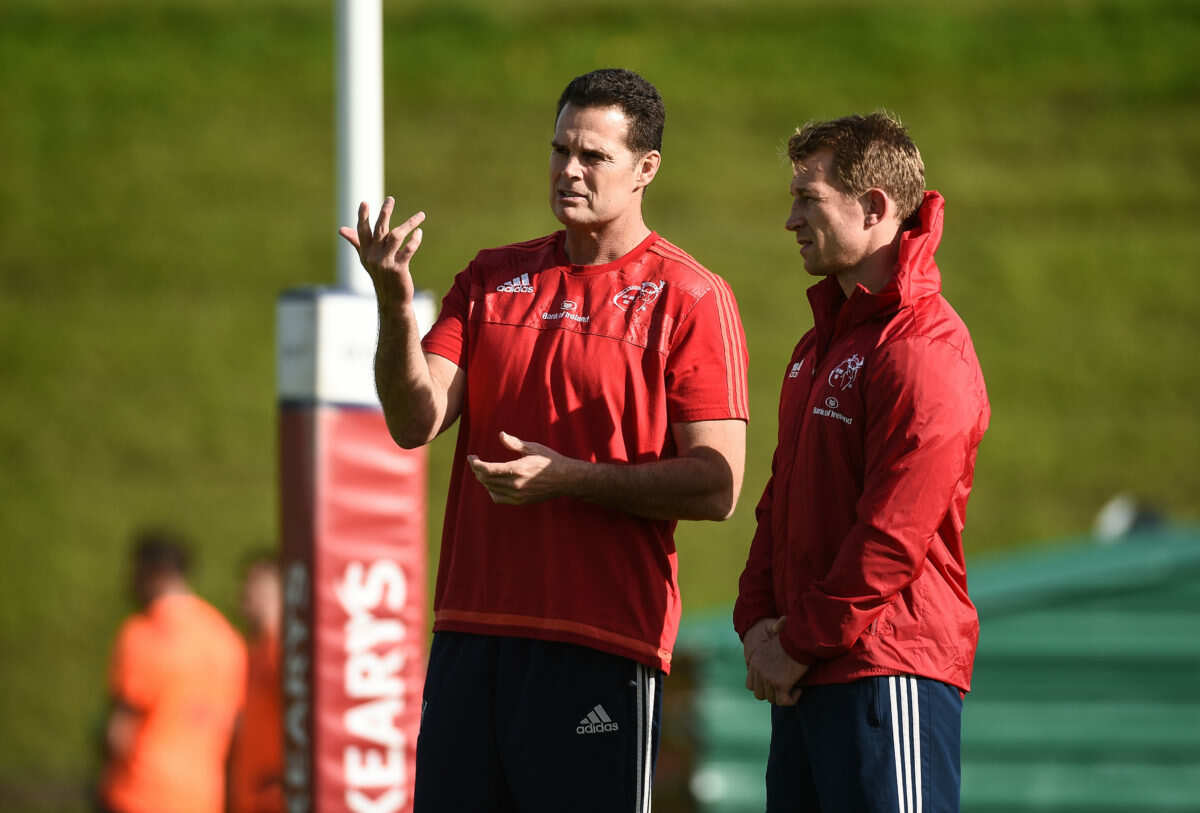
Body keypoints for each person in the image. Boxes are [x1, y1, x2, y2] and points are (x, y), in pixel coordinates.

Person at [338, 67, 749, 811]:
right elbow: (412, 421)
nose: (569, 170)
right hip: (471, 635)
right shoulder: (491, 278)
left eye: (594, 156)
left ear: (646, 168)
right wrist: (395, 305)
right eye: (560, 150)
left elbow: (718, 485)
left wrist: (572, 478)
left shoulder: (690, 296)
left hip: (602, 642)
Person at [733, 112, 990, 812]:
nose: (790, 219)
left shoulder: (924, 348)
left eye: (808, 199)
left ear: (874, 206)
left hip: (887, 670)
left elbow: (893, 534)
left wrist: (796, 641)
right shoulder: (818, 345)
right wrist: (756, 620)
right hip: (809, 673)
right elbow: (779, 499)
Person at [99, 528, 247, 813]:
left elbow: (119, 734)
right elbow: (235, 725)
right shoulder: (225, 637)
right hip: (203, 797)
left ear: (153, 573)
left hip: (140, 794)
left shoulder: (144, 633)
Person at [228, 553, 284, 813]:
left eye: (254, 583)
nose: (244, 592)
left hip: (271, 799)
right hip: (245, 797)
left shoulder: (286, 654)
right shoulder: (250, 652)